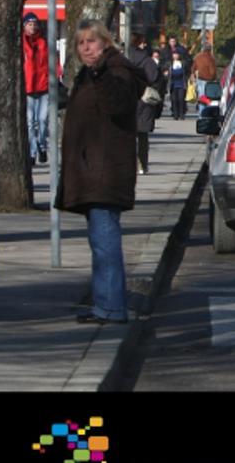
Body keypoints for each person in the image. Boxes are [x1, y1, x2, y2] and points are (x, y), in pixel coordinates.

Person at [59, 20, 147, 324]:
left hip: (105, 171)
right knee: (99, 242)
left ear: (106, 43)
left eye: (92, 42)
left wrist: (99, 74)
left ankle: (111, 307)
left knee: (105, 242)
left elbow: (118, 103)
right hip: (92, 170)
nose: (86, 48)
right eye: (81, 43)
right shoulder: (89, 73)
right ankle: (103, 303)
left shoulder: (116, 70)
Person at [22, 12, 51, 166]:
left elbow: (51, 62)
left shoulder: (43, 42)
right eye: (29, 24)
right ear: (24, 26)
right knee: (30, 122)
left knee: (42, 120)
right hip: (28, 88)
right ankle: (33, 152)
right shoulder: (21, 43)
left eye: (34, 24)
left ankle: (42, 145)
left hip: (43, 86)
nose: (32, 27)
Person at [132, 43, 160, 176]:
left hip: (129, 101)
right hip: (145, 100)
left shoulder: (125, 59)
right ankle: (143, 165)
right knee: (143, 137)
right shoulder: (149, 63)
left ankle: (132, 165)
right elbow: (157, 80)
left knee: (128, 137)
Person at [165, 46, 188, 120]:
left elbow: (187, 72)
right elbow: (164, 70)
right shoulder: (169, 63)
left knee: (181, 99)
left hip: (181, 83)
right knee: (174, 100)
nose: (175, 55)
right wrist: (166, 73)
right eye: (174, 54)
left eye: (177, 54)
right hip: (173, 84)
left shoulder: (183, 63)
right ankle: (175, 114)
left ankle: (181, 114)